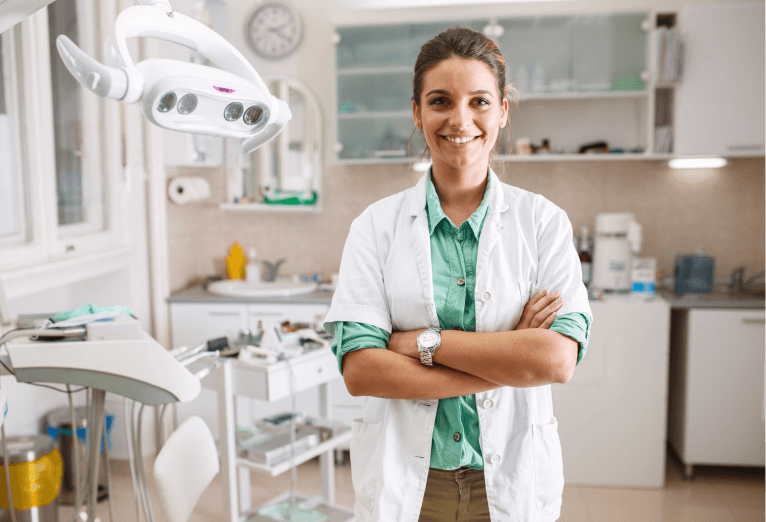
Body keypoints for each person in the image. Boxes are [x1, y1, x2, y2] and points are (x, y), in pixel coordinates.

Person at [323, 26, 592, 522]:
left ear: (504, 111)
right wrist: (509, 356)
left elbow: (555, 361)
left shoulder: (543, 222)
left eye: (480, 102)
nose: (460, 119)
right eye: (441, 100)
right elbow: (361, 372)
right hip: (411, 483)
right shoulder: (375, 227)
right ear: (417, 111)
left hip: (509, 479)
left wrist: (420, 342)